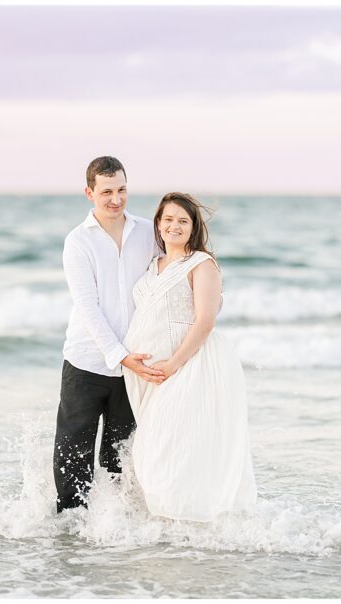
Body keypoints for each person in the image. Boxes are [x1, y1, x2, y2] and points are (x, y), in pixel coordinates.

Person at [122, 192, 257, 522]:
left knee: (175, 445)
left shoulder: (201, 264)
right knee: (156, 445)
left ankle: (188, 521)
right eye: (168, 219)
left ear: (194, 227)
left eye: (183, 220)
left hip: (189, 365)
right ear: (158, 224)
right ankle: (167, 523)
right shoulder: (152, 265)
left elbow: (205, 321)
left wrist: (173, 364)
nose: (174, 226)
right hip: (150, 374)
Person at [53, 156, 164, 513]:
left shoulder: (148, 232)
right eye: (107, 192)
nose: (116, 199)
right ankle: (70, 534)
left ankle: (115, 536)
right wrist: (119, 355)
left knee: (122, 458)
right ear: (90, 193)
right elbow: (88, 307)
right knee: (73, 454)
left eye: (122, 190)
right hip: (86, 361)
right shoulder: (77, 242)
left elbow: (174, 272)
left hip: (134, 366)